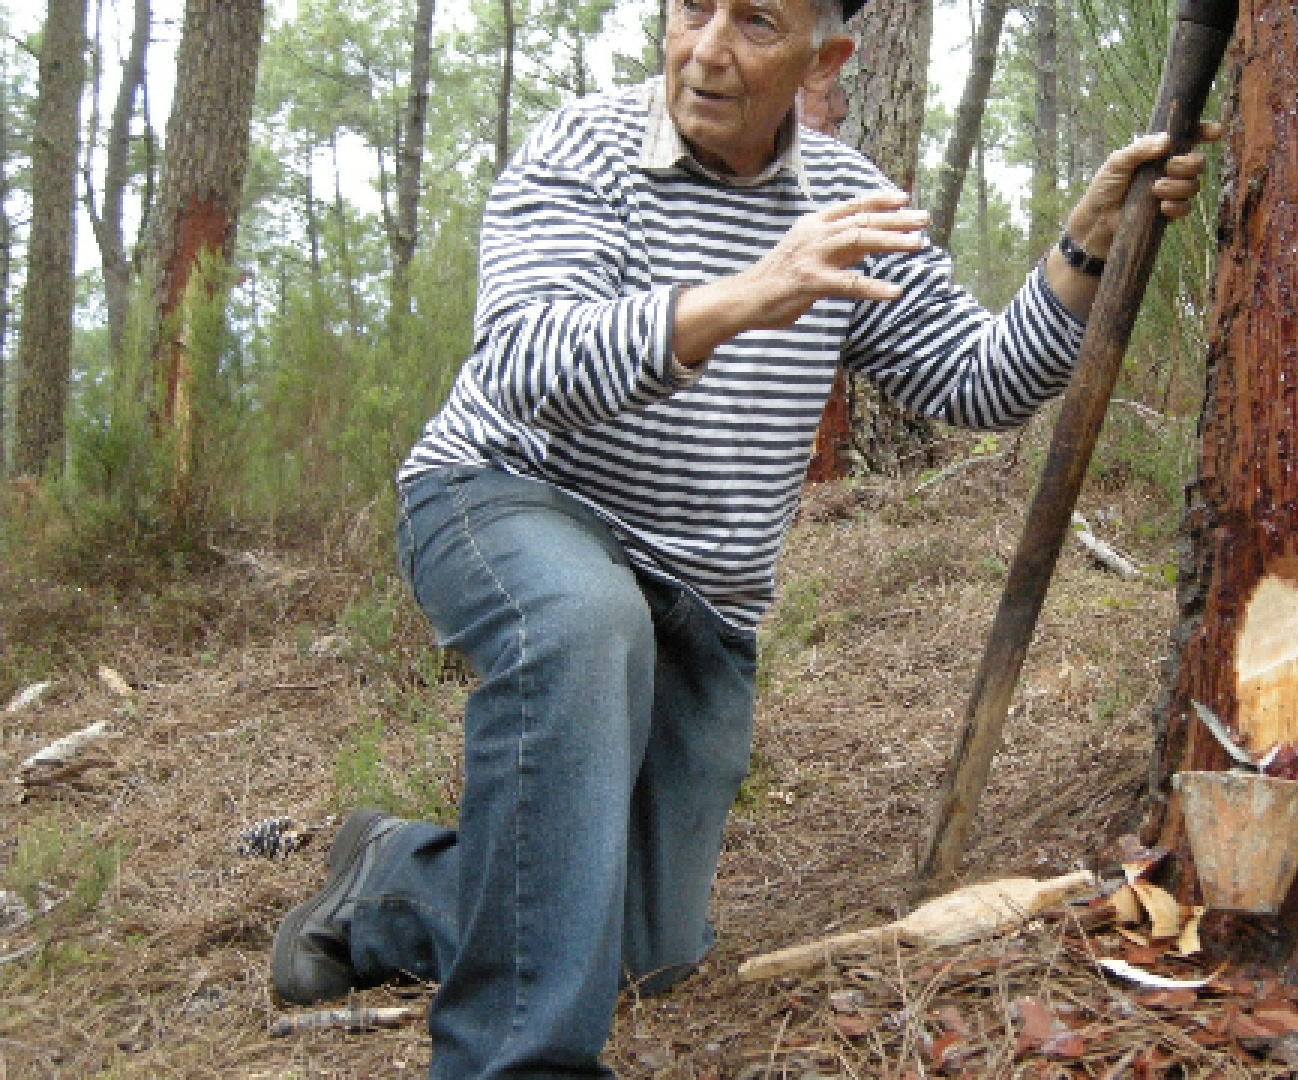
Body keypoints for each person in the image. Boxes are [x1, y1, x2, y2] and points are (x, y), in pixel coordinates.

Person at [269, 0, 1217, 1075]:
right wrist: (750, 294)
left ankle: (395, 883)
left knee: (643, 949)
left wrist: (1085, 244)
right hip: (509, 498)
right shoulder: (585, 148)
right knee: (584, 619)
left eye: (756, 22)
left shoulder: (848, 204)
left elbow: (978, 382)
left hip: (703, 595)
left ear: (827, 57)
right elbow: (525, 367)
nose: (707, 49)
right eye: (691, 8)